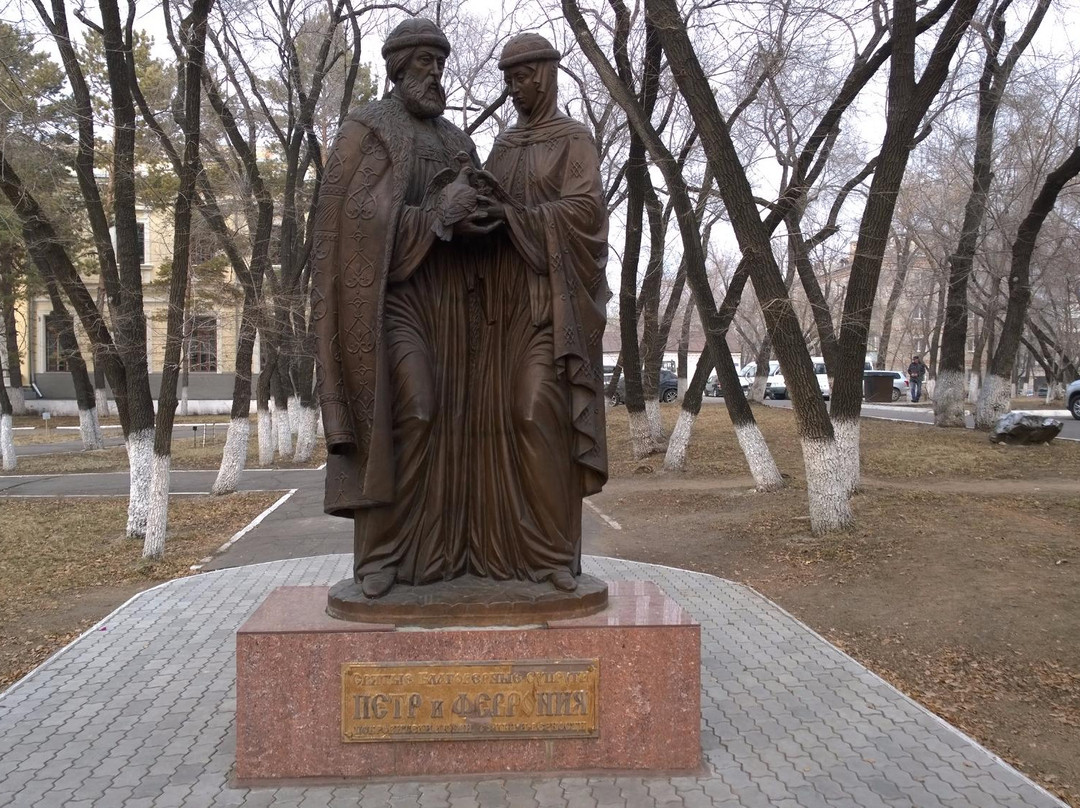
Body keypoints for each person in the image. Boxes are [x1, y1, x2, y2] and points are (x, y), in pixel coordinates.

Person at [311, 19, 494, 598]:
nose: (436, 73)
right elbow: (354, 224)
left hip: (452, 304)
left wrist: (478, 214)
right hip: (388, 303)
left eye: (440, 63)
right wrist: (437, 215)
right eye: (424, 63)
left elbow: (475, 205)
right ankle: (382, 554)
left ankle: (443, 551)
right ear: (397, 68)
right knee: (410, 410)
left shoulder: (456, 139)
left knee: (455, 424)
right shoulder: (367, 130)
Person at [467, 33, 609, 592]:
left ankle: (552, 553)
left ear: (546, 75)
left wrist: (515, 216)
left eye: (521, 76)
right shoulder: (503, 145)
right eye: (507, 78)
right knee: (494, 429)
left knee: (534, 415)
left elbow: (586, 214)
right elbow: (491, 208)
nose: (513, 87)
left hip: (547, 309)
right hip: (497, 309)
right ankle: (501, 553)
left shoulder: (574, 140)